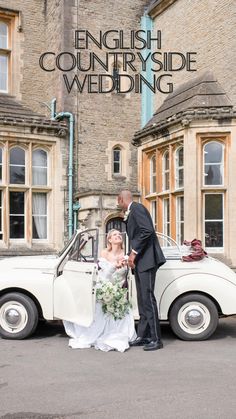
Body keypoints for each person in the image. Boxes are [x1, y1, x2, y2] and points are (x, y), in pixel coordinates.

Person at [63, 229, 136, 352]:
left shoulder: (126, 254)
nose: (118, 236)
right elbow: (105, 276)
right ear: (109, 239)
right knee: (97, 299)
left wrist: (126, 265)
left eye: (119, 234)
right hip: (104, 284)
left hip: (118, 288)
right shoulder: (104, 254)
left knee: (117, 303)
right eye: (114, 235)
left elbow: (126, 273)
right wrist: (114, 266)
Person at [118, 190, 166, 351]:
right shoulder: (132, 211)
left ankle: (156, 339)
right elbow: (139, 235)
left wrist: (134, 252)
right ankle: (143, 336)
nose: (119, 205)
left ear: (121, 199)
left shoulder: (137, 208)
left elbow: (147, 231)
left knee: (148, 299)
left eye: (119, 202)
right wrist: (129, 255)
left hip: (147, 261)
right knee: (141, 300)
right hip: (140, 263)